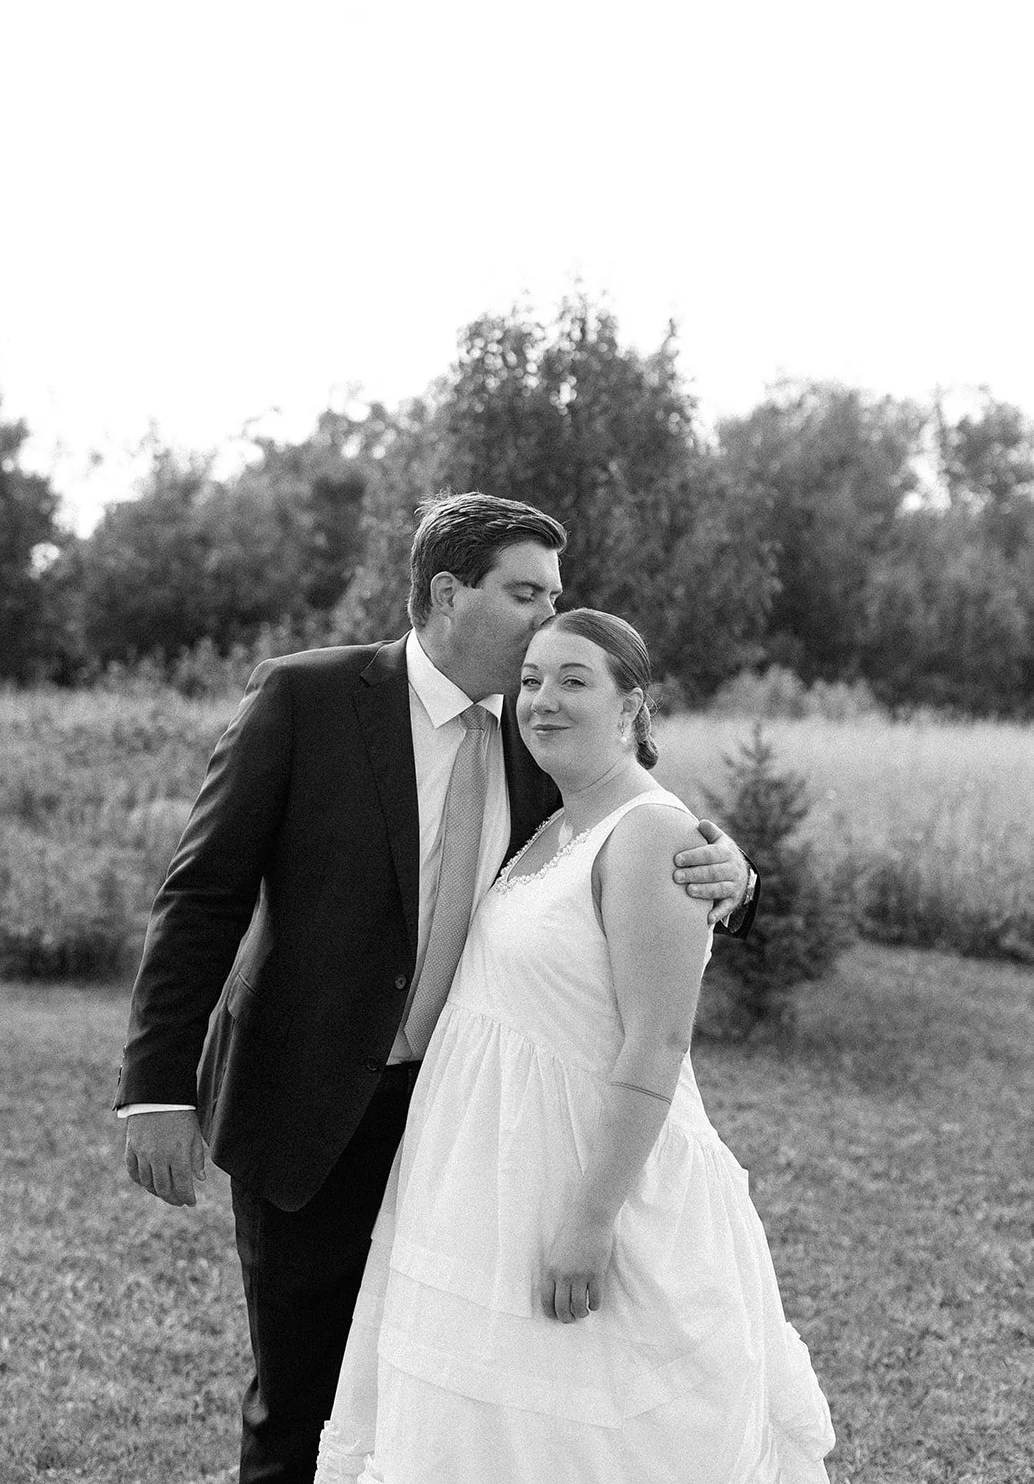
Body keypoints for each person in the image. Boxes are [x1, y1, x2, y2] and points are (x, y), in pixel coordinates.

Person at [115, 493, 759, 1484]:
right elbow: (202, 893)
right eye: (524, 593)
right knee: (299, 1399)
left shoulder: (538, 728)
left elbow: (639, 815)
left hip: (467, 1135)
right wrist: (158, 1087)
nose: (545, 619)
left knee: (422, 1395)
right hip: (306, 1106)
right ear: (448, 592)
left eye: (555, 597)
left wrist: (734, 873)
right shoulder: (306, 698)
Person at [315, 607, 834, 1484]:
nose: (541, 701)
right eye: (529, 680)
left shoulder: (651, 834)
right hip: (492, 1180)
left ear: (633, 706)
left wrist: (588, 1222)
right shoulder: (551, 817)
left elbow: (657, 1042)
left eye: (573, 680)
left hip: (591, 1188)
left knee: (592, 1440)